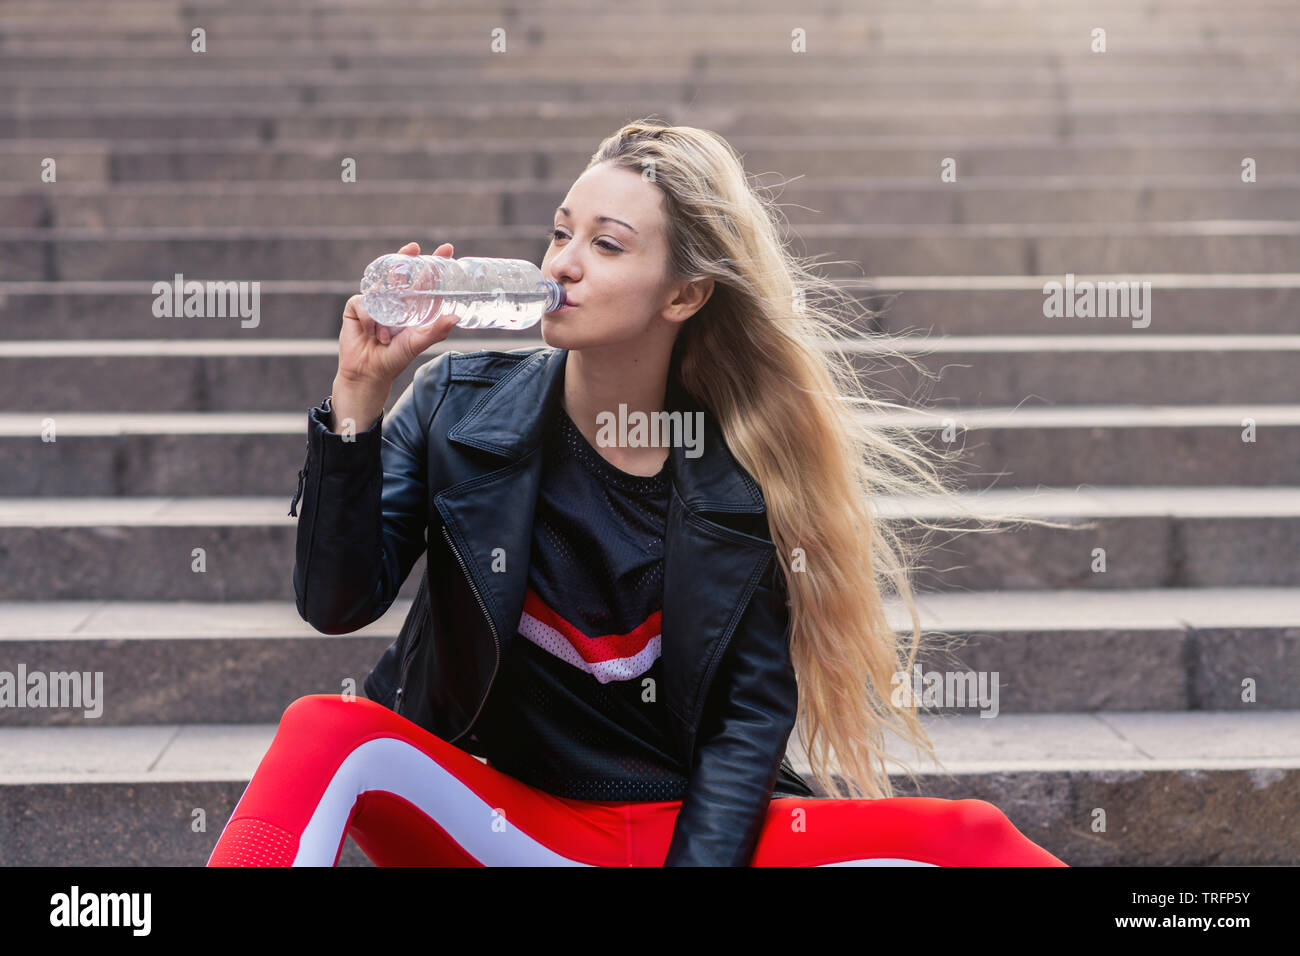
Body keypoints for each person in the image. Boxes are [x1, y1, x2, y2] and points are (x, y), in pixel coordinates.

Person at [209, 117, 1067, 867]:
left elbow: (742, 739)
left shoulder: (745, 483)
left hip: (676, 837)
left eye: (606, 245)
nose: (563, 265)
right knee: (329, 730)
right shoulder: (454, 406)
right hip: (502, 823)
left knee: (968, 838)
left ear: (685, 294)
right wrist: (357, 398)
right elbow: (335, 601)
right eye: (559, 235)